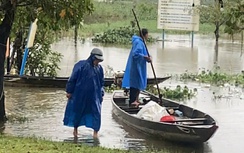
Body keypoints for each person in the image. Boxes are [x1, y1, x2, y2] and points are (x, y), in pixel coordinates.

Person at [63, 48, 104, 138]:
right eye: (97, 60)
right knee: (78, 111)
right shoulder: (80, 65)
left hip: (94, 96)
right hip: (80, 94)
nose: (98, 62)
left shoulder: (99, 69)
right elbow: (72, 79)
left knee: (96, 113)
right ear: (92, 57)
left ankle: (95, 133)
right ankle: (75, 131)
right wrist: (69, 91)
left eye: (99, 60)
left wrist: (101, 94)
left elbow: (101, 83)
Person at [122, 28, 151, 107]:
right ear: (145, 35)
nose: (148, 36)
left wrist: (148, 58)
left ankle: (136, 99)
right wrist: (145, 57)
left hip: (140, 66)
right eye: (148, 34)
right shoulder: (138, 42)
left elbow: (144, 53)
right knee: (135, 84)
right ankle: (133, 101)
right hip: (136, 67)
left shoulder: (142, 42)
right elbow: (136, 54)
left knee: (139, 83)